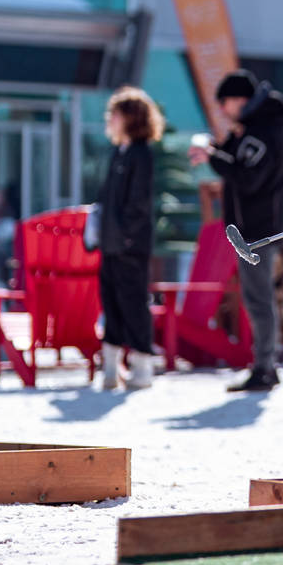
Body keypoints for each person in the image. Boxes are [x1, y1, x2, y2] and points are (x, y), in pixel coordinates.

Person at [193, 69, 283, 393]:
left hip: (259, 231)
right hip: (254, 230)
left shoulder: (261, 133)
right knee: (256, 298)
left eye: (225, 102)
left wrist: (213, 157)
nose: (222, 109)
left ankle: (265, 367)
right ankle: (264, 365)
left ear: (241, 100)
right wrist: (221, 147)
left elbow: (247, 178)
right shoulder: (254, 129)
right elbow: (238, 165)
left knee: (258, 299)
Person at [96, 88, 162, 392]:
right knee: (111, 303)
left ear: (131, 118)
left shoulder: (140, 153)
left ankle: (141, 367)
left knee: (133, 303)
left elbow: (138, 204)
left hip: (130, 246)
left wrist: (123, 237)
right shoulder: (118, 152)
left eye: (116, 114)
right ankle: (110, 368)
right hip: (111, 244)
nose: (110, 119)